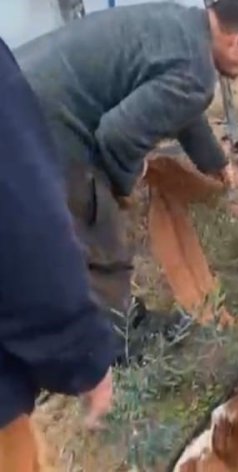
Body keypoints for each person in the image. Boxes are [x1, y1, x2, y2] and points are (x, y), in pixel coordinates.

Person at [12, 0, 238, 363]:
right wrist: (126, 184)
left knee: (65, 231)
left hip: (18, 90)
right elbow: (117, 137)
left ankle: (102, 318)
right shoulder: (195, 73)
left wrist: (214, 161)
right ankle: (118, 341)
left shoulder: (181, 23)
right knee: (99, 228)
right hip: (43, 124)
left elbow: (181, 108)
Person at [0, 36, 116, 470]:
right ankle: (124, 326)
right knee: (104, 229)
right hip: (67, 128)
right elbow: (18, 219)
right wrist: (82, 354)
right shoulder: (191, 69)